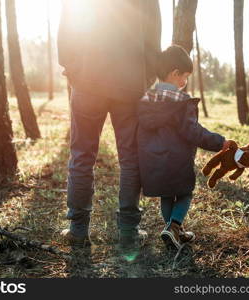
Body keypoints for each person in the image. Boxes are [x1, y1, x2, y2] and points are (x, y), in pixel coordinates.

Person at [57, 0, 162, 248]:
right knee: (130, 157)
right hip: (128, 85)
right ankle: (128, 230)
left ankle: (78, 229)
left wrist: (74, 69)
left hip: (88, 82)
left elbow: (66, 29)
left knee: (82, 154)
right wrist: (144, 79)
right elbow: (153, 39)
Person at [137, 45, 234, 250]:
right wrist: (219, 142)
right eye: (185, 76)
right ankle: (174, 227)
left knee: (166, 195)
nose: (185, 82)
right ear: (175, 73)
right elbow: (193, 131)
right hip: (176, 160)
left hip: (152, 160)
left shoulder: (145, 99)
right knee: (184, 193)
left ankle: (174, 231)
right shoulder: (181, 102)